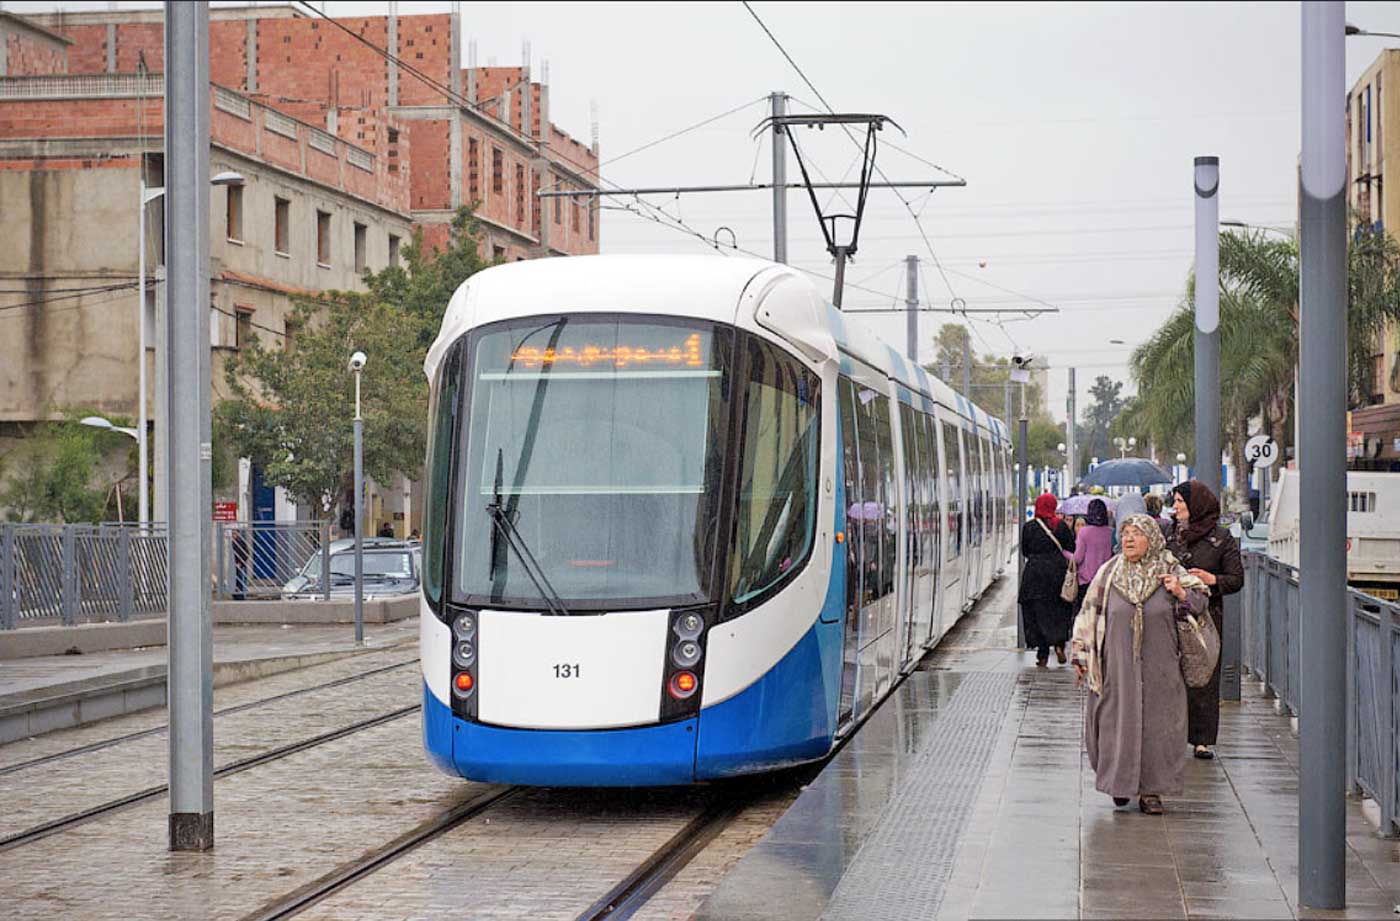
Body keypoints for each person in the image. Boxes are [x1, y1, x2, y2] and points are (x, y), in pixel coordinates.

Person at [1071, 514, 1209, 815]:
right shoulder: (1108, 573)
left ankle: (1151, 791)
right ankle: (1120, 784)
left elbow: (1200, 604)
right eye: (1125, 533)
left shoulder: (1170, 570)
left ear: (1153, 538)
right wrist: (1081, 653)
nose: (1129, 539)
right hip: (1115, 666)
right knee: (1113, 722)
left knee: (1160, 726)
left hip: (1161, 666)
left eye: (1136, 533)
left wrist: (1181, 592)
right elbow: (1087, 613)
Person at [1166, 479, 1244, 760]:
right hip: (1171, 614)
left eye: (1180, 502)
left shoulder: (1222, 538)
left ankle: (1202, 739)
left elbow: (1236, 579)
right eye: (1174, 502)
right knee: (1171, 673)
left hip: (1206, 617)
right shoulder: (1169, 534)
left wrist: (1212, 579)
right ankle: (1172, 732)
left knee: (1204, 675)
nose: (1175, 508)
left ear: (1196, 505)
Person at [1019, 493, 1076, 667]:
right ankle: (1059, 645)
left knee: (1037, 613)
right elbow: (1070, 547)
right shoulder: (1061, 526)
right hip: (1057, 573)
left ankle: (1042, 653)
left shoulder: (1029, 527)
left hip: (1035, 574)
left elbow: (1025, 551)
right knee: (1058, 610)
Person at [1068, 498, 1114, 618]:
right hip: (1105, 582)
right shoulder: (1111, 532)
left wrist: (1064, 553)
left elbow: (1077, 558)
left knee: (1086, 618)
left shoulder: (1084, 532)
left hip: (1086, 582)